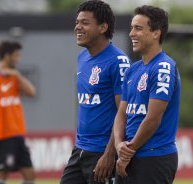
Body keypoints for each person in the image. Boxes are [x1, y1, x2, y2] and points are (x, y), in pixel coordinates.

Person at [60, 0, 130, 184]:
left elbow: (124, 113)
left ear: (102, 27)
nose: (77, 27)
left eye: (84, 23)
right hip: (80, 150)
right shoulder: (82, 57)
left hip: (103, 153)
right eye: (77, 22)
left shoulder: (118, 62)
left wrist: (109, 154)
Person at [113, 5, 181, 184]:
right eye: (131, 28)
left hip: (154, 157)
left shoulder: (163, 67)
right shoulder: (132, 70)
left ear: (156, 33)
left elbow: (152, 119)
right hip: (129, 156)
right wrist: (119, 145)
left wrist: (128, 152)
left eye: (138, 28)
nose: (131, 33)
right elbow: (121, 113)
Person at [0, 41, 36, 184]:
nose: (18, 59)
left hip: (17, 133)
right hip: (1, 134)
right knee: (2, 174)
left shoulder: (13, 76)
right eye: (16, 55)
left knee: (29, 174)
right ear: (7, 56)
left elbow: (31, 92)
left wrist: (17, 75)